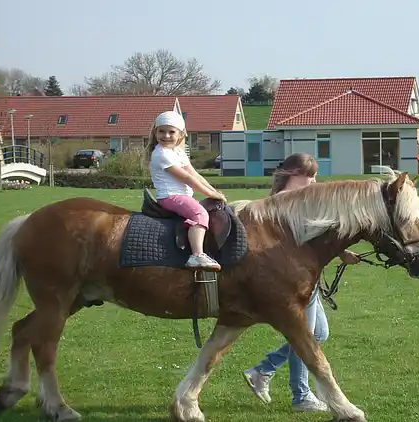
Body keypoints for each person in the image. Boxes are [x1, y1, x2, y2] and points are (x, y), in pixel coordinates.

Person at [242, 153, 361, 412]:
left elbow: (315, 234)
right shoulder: (281, 202)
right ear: (294, 174)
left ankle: (264, 370)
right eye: (311, 176)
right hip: (294, 279)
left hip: (306, 277)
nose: (314, 181)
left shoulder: (300, 200)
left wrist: (342, 252)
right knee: (304, 336)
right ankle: (301, 395)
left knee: (319, 333)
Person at [148, 110, 226, 271]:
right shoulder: (161, 154)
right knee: (199, 214)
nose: (166, 136)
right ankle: (196, 255)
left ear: (181, 134)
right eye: (161, 131)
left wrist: (215, 191)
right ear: (155, 132)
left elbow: (195, 174)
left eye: (171, 132)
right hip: (169, 196)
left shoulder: (177, 152)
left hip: (181, 196)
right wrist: (211, 194)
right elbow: (187, 178)